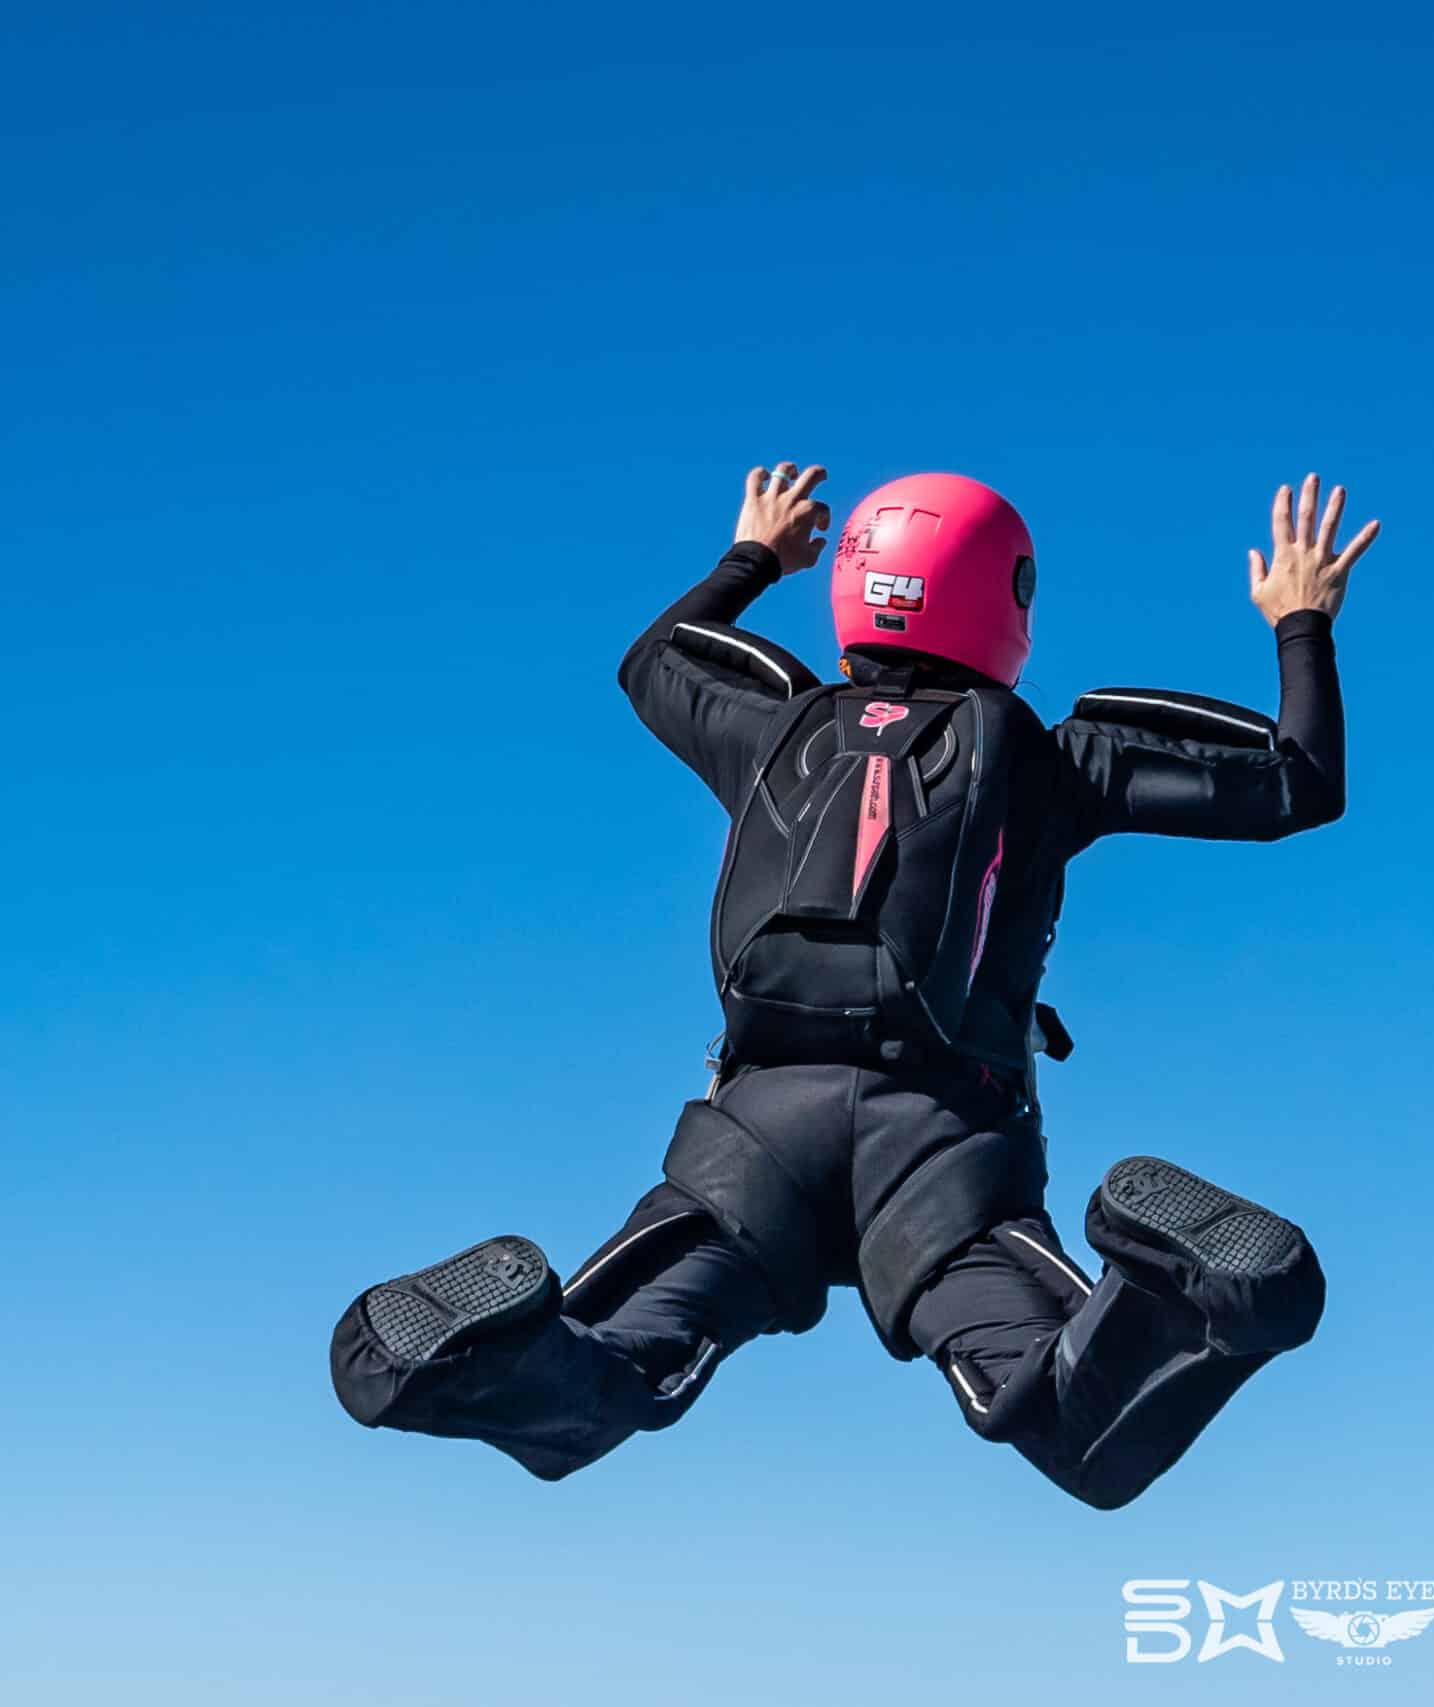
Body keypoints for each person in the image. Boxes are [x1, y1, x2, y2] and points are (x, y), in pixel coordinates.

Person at [330, 465, 1380, 1509]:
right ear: (1006, 600)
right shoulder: (1049, 757)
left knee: (608, 1376)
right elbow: (1298, 780)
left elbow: (650, 661)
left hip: (751, 1141)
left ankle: (443, 1361)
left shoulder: (771, 723)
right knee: (1071, 1422)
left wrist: (754, 556)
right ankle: (1177, 1293)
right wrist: (1300, 619)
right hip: (940, 1148)